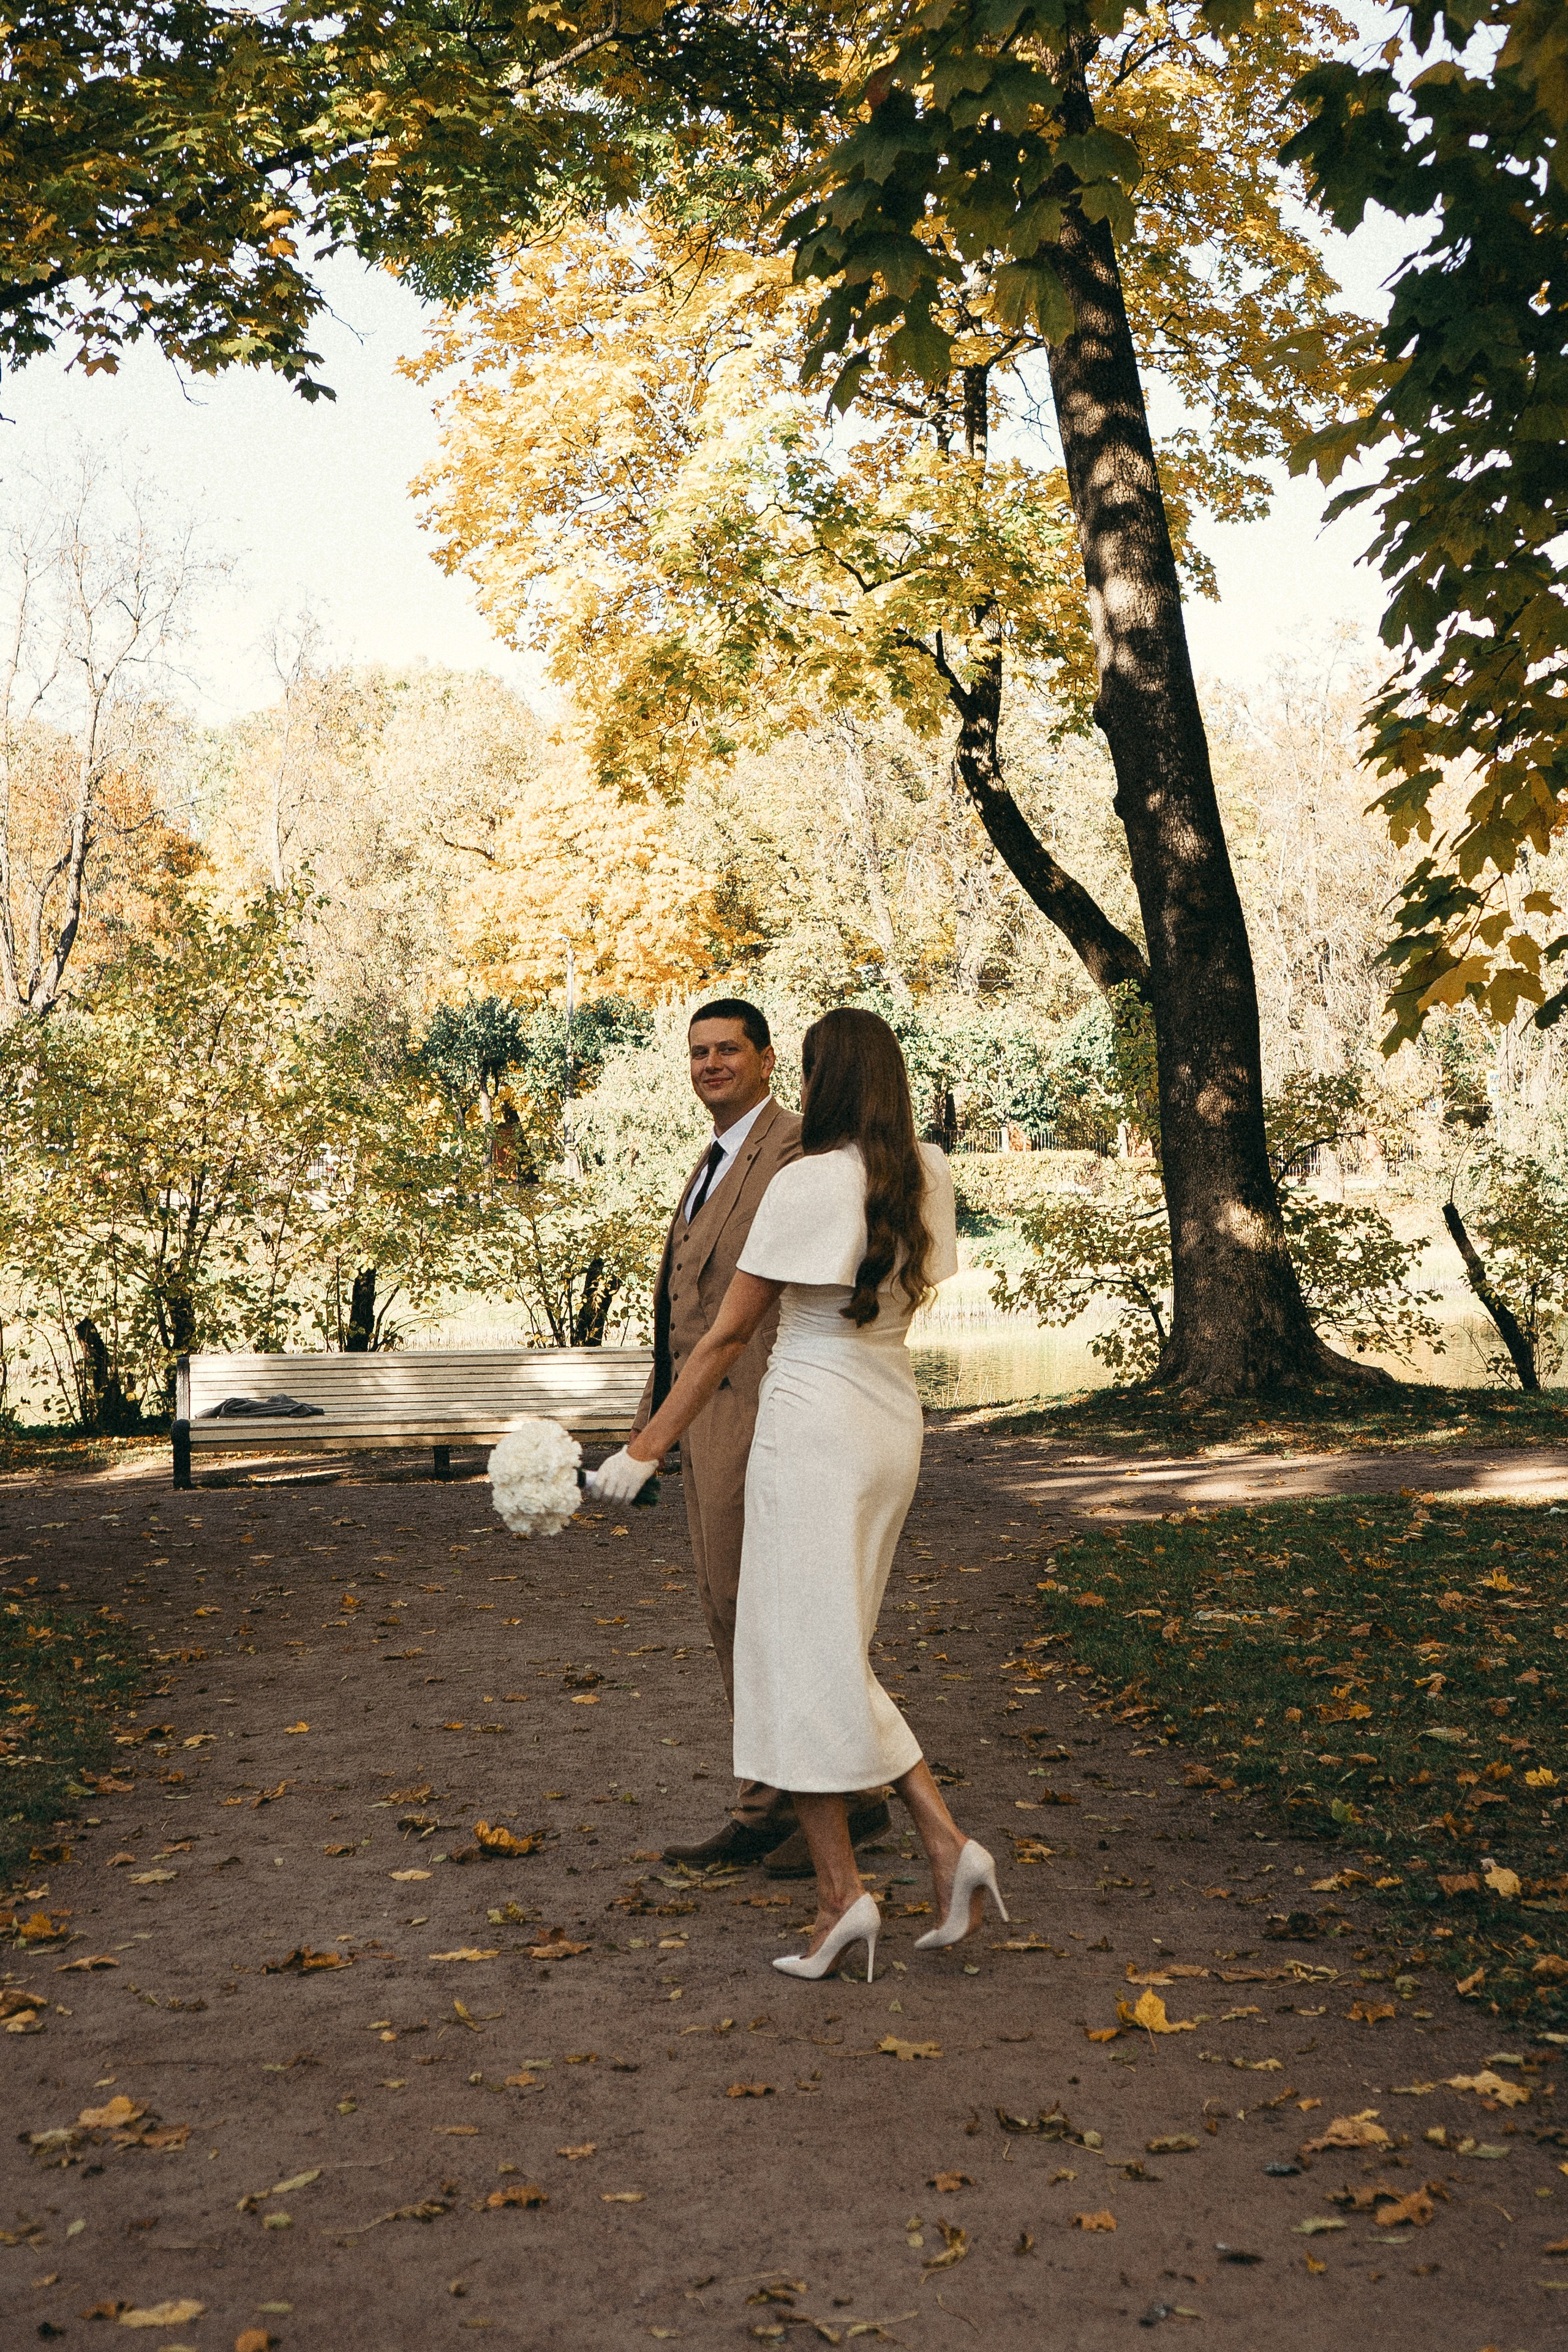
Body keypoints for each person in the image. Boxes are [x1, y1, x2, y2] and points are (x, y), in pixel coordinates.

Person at [593, 1006, 1006, 1978]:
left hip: (812, 1425)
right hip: (889, 1418)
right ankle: (940, 1847)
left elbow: (728, 1336)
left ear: (816, 1078)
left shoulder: (806, 1180)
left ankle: (843, 1897)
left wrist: (645, 1448)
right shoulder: (928, 1171)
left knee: (795, 1653)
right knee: (825, 1650)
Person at [625, 998, 892, 1872]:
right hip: (703, 1415)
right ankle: (769, 1798)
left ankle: (847, 1798)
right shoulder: (712, 1160)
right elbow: (684, 1306)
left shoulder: (796, 1152)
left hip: (765, 1411)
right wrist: (654, 1420)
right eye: (698, 1052)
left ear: (770, 1060)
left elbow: (758, 1312)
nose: (710, 1065)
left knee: (774, 1612)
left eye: (728, 1050)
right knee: (727, 1607)